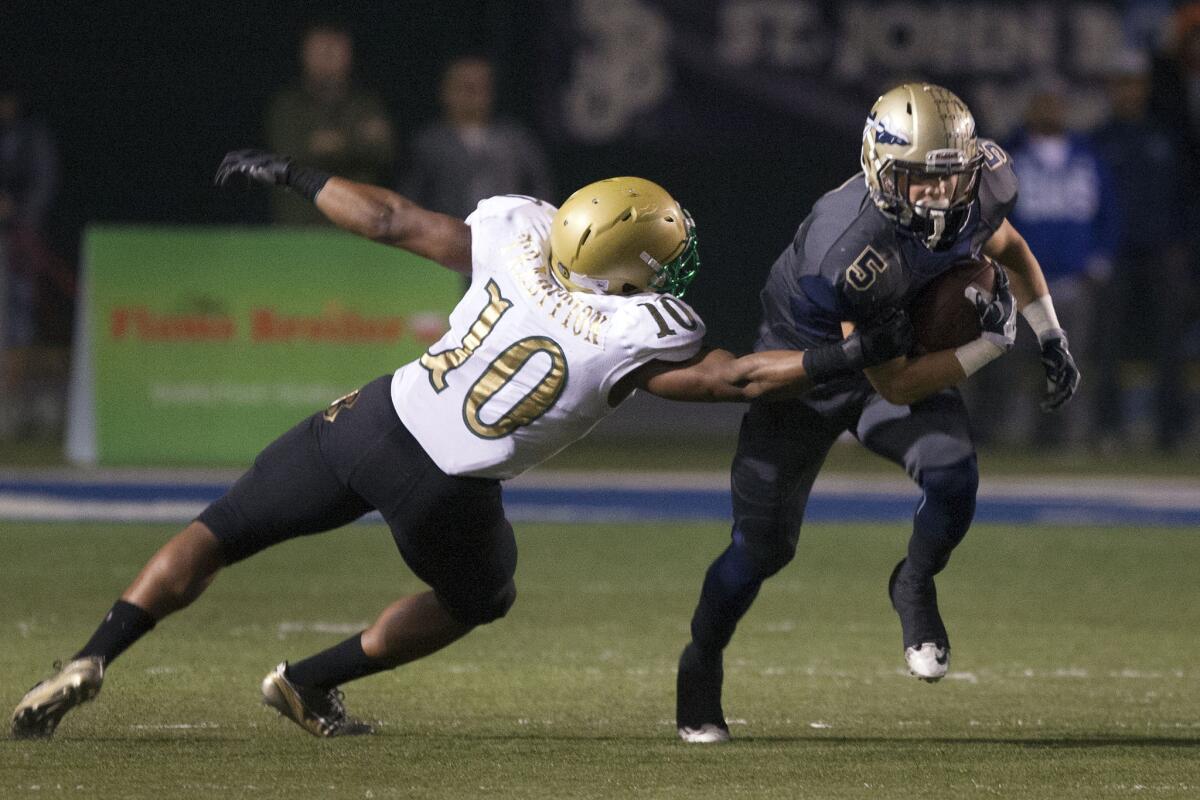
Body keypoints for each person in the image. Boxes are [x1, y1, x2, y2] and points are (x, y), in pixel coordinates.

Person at [10, 150, 920, 739]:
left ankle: (97, 650)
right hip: (447, 485)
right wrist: (853, 351)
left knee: (220, 531)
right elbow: (730, 380)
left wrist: (294, 176)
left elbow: (388, 220)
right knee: (481, 596)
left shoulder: (520, 233)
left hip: (371, 416)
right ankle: (307, 681)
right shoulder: (644, 328)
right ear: (631, 266)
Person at [674, 82, 1076, 744]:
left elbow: (1008, 249)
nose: (938, 197)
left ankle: (913, 582)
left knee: (952, 472)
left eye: (950, 178)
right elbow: (892, 383)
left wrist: (1049, 331)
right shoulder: (850, 250)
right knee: (761, 549)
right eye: (918, 179)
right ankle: (700, 661)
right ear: (881, 169)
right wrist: (989, 345)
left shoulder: (982, 189)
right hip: (804, 376)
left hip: (893, 353)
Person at [1094, 49, 1192, 451]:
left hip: (1162, 252)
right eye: (1121, 84)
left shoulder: (1166, 136)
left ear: (1144, 88)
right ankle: (1109, 429)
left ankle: (1171, 430)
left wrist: (1183, 245)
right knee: (1107, 343)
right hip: (1114, 255)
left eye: (1134, 84)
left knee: (1172, 343)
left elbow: (1186, 197)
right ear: (1111, 90)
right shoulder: (1099, 140)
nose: (1128, 92)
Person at [265, 22, 395, 225]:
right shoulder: (288, 104)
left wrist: (331, 145)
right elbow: (290, 155)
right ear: (304, 53)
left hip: (358, 223)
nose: (328, 57)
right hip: (301, 224)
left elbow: (383, 151)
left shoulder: (366, 103)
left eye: (335, 49)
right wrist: (356, 142)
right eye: (320, 50)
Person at [403, 56, 553, 219]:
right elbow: (411, 198)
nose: (472, 96)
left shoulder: (516, 139)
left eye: (480, 87)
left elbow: (541, 191)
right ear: (445, 91)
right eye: (464, 87)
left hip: (511, 232)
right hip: (447, 233)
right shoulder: (430, 143)